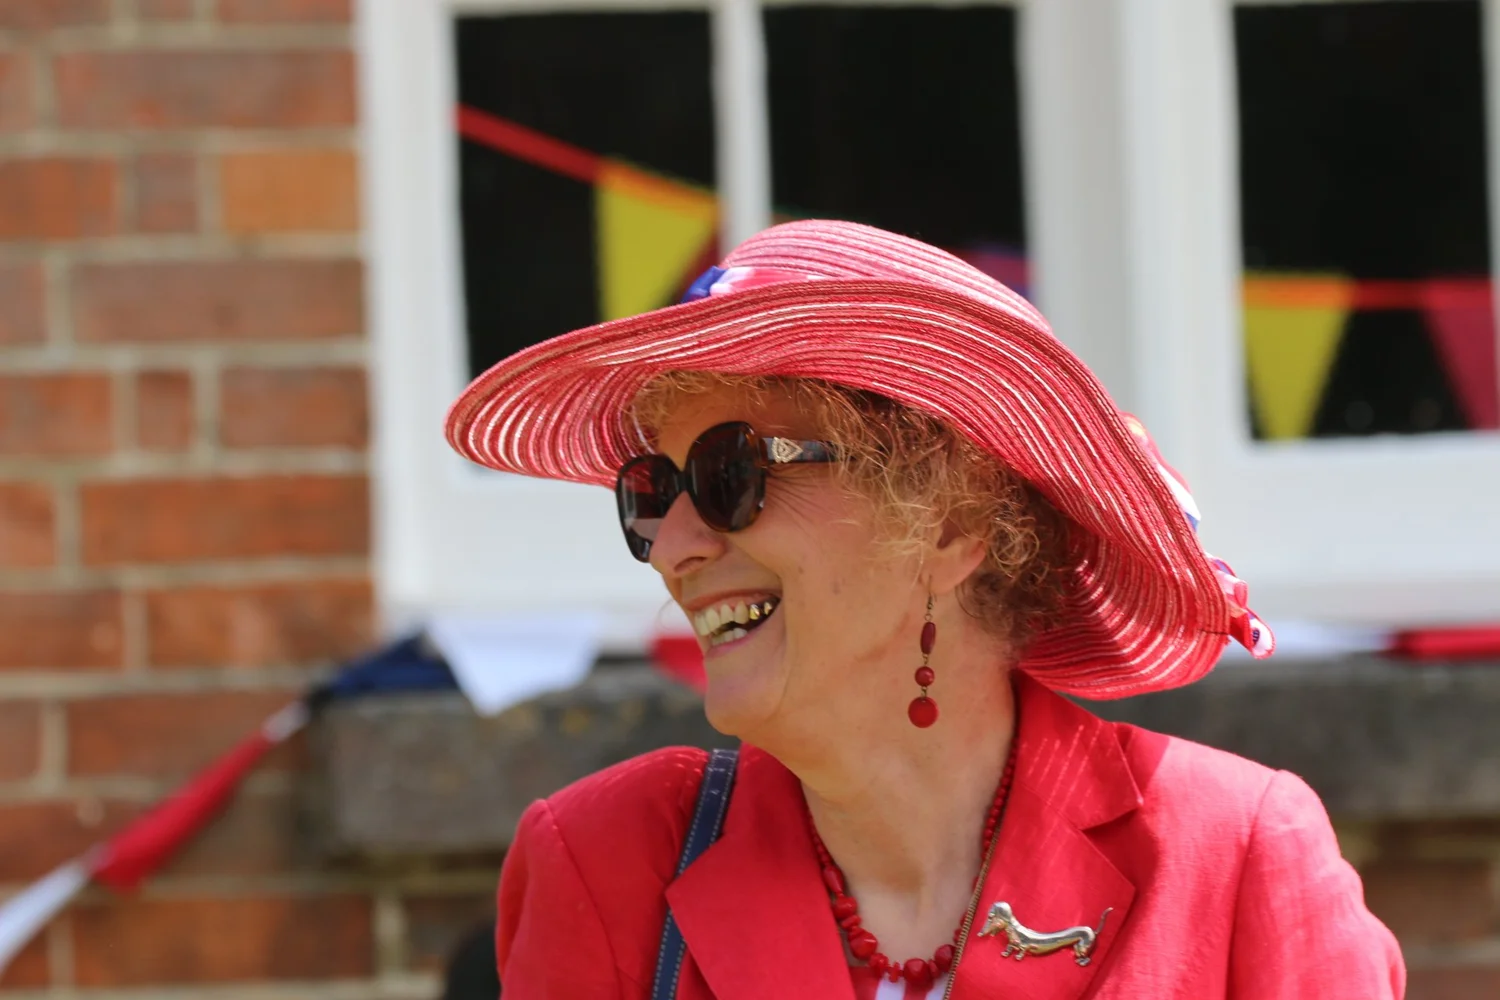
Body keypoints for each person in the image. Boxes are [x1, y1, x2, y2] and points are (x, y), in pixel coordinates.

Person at [445, 221, 1404, 999]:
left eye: (731, 473)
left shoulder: (1234, 855)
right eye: (652, 493)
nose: (672, 547)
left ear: (950, 522)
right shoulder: (605, 863)